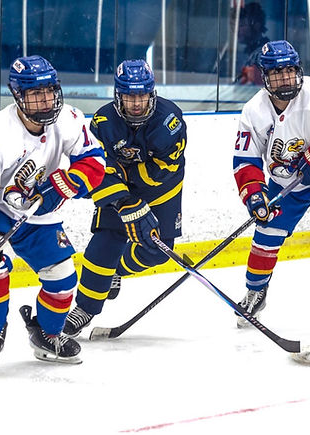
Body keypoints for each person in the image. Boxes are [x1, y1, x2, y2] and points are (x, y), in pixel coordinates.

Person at [0, 55, 105, 373]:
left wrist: (64, 184)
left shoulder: (67, 118)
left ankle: (47, 334)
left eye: (50, 90)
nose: (46, 99)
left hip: (40, 210)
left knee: (63, 280)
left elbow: (94, 159)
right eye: (36, 93)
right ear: (18, 95)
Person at [232, 40, 310, 327]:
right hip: (284, 183)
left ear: (298, 71)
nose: (284, 78)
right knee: (266, 235)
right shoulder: (254, 111)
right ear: (264, 77)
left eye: (289, 71)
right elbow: (245, 161)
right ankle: (256, 292)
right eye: (276, 73)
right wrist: (254, 195)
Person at [62, 59, 187, 337]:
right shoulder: (102, 121)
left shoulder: (170, 120)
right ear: (118, 95)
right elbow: (96, 168)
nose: (136, 103)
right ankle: (84, 308)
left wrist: (121, 174)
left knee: (157, 251)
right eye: (129, 96)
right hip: (118, 194)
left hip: (161, 191)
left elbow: (161, 171)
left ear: (151, 93)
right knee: (104, 243)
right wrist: (124, 199)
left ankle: (114, 270)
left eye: (141, 95)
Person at [235, 2, 270, 85]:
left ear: (256, 26)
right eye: (237, 26)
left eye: (242, 25)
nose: (237, 30)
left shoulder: (263, 54)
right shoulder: (249, 51)